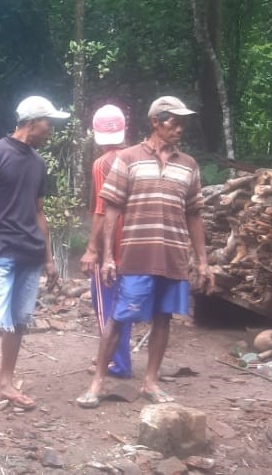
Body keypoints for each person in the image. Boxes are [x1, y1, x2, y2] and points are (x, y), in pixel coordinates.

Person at [76, 97, 206, 408]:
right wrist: (107, 255)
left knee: (163, 318)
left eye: (182, 121)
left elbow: (195, 214)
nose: (180, 127)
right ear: (155, 122)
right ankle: (97, 384)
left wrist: (203, 261)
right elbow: (111, 209)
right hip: (135, 256)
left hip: (173, 255)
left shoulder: (188, 165)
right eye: (173, 121)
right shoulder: (129, 159)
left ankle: (150, 382)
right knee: (119, 318)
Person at [0, 96, 70, 425]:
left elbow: (39, 212)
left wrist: (49, 259)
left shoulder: (38, 163)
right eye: (48, 123)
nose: (51, 130)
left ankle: (6, 384)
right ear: (32, 122)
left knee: (19, 321)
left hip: (30, 252)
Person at [80, 104, 136, 382]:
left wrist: (93, 250)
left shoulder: (104, 163)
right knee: (123, 306)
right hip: (134, 246)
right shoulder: (135, 157)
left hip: (111, 248)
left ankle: (117, 362)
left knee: (106, 307)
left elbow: (103, 210)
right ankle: (116, 356)